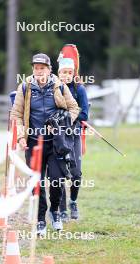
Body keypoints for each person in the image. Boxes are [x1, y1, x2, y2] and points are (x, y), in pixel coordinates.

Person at [10, 53, 79, 236]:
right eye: (36, 67)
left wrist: (64, 123)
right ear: (33, 69)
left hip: (55, 143)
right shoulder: (24, 87)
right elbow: (16, 114)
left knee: (56, 180)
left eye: (43, 68)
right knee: (37, 183)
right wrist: (21, 137)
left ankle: (54, 212)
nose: (39, 71)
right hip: (33, 143)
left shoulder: (60, 86)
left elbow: (74, 108)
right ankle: (40, 219)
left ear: (49, 69)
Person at [58, 57, 89, 221]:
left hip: (74, 133)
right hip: (58, 136)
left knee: (76, 173)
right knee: (60, 172)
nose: (67, 75)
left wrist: (69, 118)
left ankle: (73, 201)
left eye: (70, 72)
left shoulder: (79, 89)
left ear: (73, 73)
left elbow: (85, 113)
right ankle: (62, 210)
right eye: (64, 72)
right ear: (59, 73)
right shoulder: (53, 87)